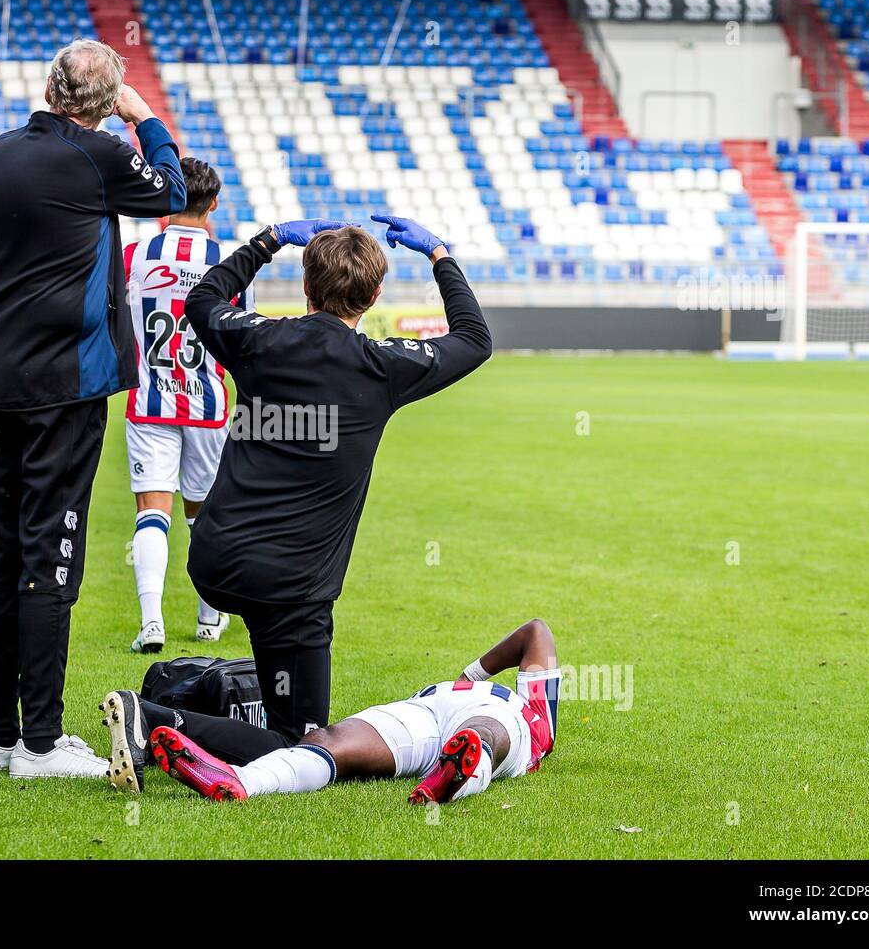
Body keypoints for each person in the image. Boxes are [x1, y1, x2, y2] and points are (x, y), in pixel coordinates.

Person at [98, 215, 493, 792]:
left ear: (305, 285)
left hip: (214, 563)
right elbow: (476, 339)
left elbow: (204, 296)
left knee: (273, 663)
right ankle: (154, 719)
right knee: (304, 743)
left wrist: (271, 239)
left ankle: (203, 692)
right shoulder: (383, 366)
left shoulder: (258, 340)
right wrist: (439, 253)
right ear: (375, 295)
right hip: (292, 588)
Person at [0, 39, 186, 779]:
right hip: (66, 384)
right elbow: (175, 192)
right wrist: (143, 117)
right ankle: (42, 745)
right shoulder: (103, 156)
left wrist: (25, 130)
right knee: (49, 557)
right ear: (104, 102)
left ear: (49, 89)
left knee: (3, 552)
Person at [110, 619, 561, 802]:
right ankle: (238, 780)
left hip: (497, 721)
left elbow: (537, 633)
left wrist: (475, 678)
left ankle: (456, 774)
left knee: (485, 732)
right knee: (328, 742)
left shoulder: (535, 718)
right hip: (425, 709)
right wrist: (469, 677)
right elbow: (532, 633)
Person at [123, 157, 245, 654]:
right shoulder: (231, 261)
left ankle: (151, 622)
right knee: (204, 515)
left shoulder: (134, 255)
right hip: (208, 404)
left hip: (149, 399)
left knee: (153, 511)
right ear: (213, 203)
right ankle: (208, 616)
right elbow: (242, 335)